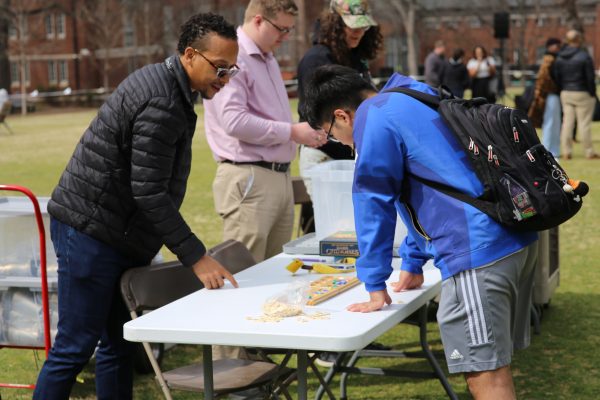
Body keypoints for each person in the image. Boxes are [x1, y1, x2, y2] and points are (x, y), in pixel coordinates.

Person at [33, 13, 240, 399]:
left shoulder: (172, 90)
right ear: (190, 55)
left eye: (232, 69)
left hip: (117, 232)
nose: (225, 78)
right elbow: (148, 192)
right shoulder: (163, 101)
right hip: (91, 231)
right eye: (220, 67)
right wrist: (197, 257)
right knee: (75, 347)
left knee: (120, 343)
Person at [301, 64, 538, 400]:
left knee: (486, 376)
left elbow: (373, 202)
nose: (338, 142)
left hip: (475, 251)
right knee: (493, 366)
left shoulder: (373, 118)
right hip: (514, 234)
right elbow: (429, 186)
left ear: (342, 115)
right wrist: (412, 262)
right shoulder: (414, 94)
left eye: (331, 133)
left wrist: (374, 282)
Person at [203, 0, 325, 360]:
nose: (285, 37)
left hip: (273, 176)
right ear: (258, 20)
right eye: (281, 29)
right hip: (248, 178)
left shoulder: (266, 57)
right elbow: (234, 121)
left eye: (289, 29)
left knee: (270, 277)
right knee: (239, 277)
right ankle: (227, 365)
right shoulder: (234, 56)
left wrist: (293, 134)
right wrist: (291, 132)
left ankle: (257, 363)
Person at [296, 0, 381, 232]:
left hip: (349, 154)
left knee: (358, 227)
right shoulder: (317, 59)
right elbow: (313, 114)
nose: (358, 32)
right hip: (325, 157)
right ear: (334, 23)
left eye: (363, 26)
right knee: (339, 231)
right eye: (352, 25)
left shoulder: (357, 58)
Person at [554, 29, 598, 159]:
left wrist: (562, 88)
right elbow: (590, 78)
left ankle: (566, 151)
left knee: (567, 123)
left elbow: (557, 76)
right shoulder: (584, 56)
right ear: (579, 40)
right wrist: (592, 93)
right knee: (584, 124)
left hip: (566, 92)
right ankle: (589, 152)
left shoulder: (560, 56)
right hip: (582, 92)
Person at [528, 37, 562, 158]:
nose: (558, 48)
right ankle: (547, 149)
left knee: (554, 123)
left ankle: (553, 149)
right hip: (550, 94)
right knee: (550, 123)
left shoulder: (553, 59)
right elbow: (543, 79)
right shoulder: (549, 59)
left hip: (552, 94)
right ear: (550, 46)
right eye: (556, 45)